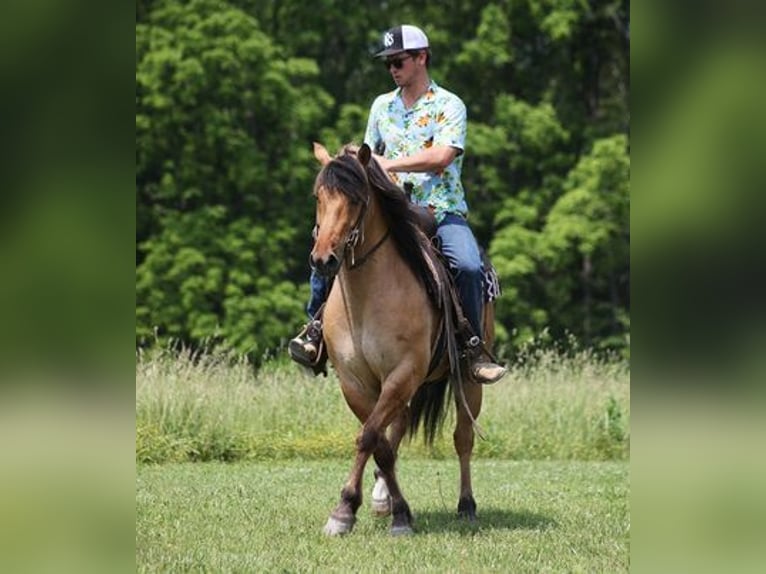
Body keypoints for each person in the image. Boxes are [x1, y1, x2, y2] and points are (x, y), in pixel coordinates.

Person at [290, 24, 506, 384]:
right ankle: (315, 327)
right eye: (388, 62)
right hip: (391, 209)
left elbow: (441, 156)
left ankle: (472, 349)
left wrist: (389, 164)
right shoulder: (381, 106)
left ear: (422, 58)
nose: (392, 68)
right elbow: (365, 156)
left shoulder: (449, 105)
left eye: (399, 60)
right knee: (327, 239)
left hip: (439, 211)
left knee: (468, 264)